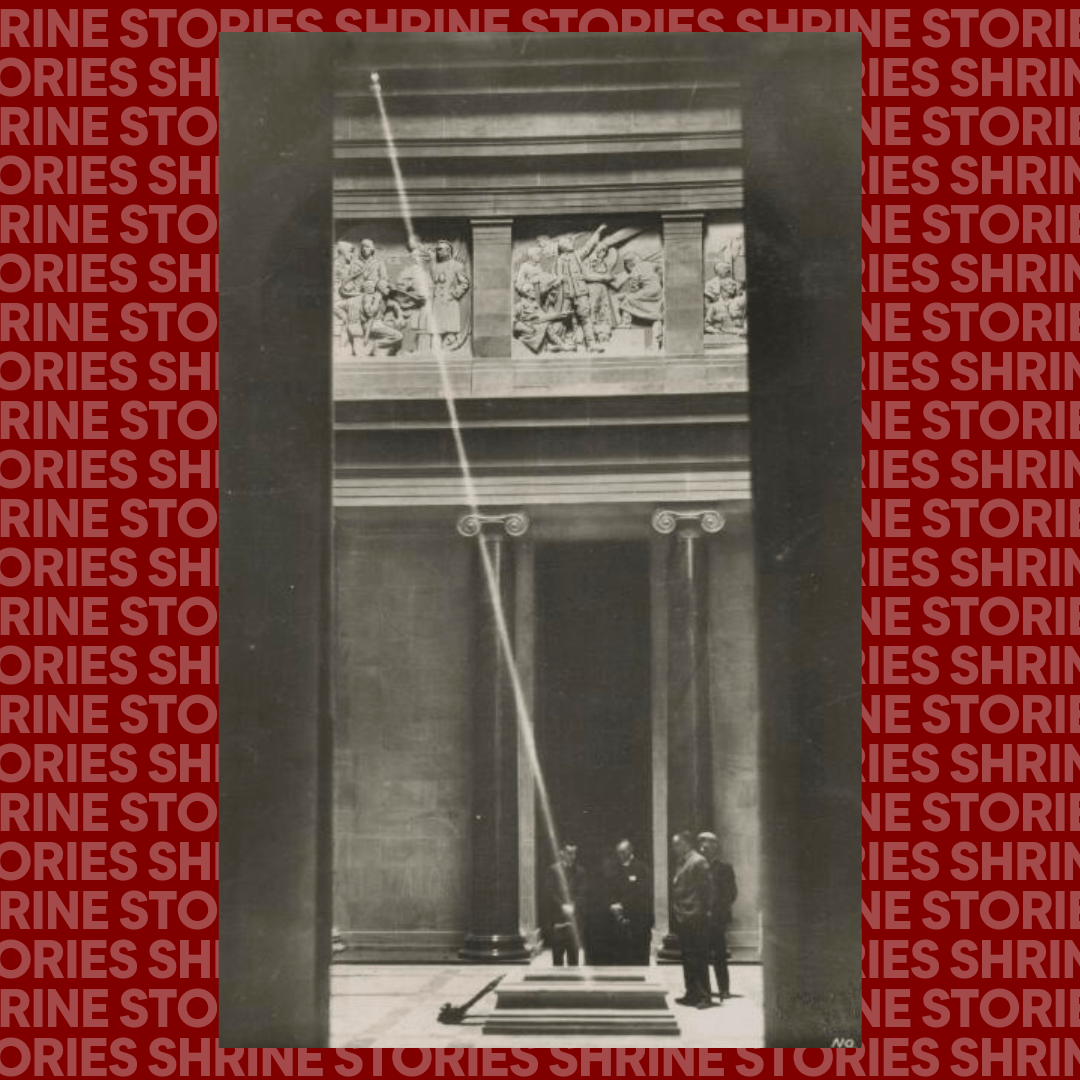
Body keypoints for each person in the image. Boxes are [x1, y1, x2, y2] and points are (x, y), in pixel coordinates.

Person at [670, 831, 714, 1008]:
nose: (674, 848)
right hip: (683, 915)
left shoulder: (698, 861)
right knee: (688, 957)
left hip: (696, 916)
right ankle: (692, 992)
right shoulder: (681, 862)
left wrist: (704, 911)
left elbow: (708, 890)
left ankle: (705, 996)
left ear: (686, 843)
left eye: (677, 844)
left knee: (699, 957)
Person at [698, 832, 738, 1000]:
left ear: (715, 847)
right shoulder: (698, 867)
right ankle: (703, 990)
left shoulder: (724, 868)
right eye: (701, 846)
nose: (703, 849)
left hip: (717, 918)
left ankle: (724, 989)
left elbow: (731, 893)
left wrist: (716, 911)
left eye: (706, 846)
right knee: (701, 954)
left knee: (719, 955)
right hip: (700, 918)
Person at [604, 839, 653, 965]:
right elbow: (608, 889)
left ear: (631, 850)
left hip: (636, 918)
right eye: (618, 852)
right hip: (616, 917)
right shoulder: (613, 868)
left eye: (623, 852)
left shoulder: (642, 868)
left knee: (638, 956)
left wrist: (622, 905)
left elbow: (642, 892)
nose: (621, 855)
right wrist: (612, 905)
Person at [545, 842, 587, 967]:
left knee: (573, 959)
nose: (573, 856)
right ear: (561, 853)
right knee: (557, 959)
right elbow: (549, 892)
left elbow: (583, 892)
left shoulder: (580, 871)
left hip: (574, 919)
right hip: (558, 919)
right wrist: (562, 906)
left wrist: (574, 905)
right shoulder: (552, 870)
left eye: (574, 853)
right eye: (569, 853)